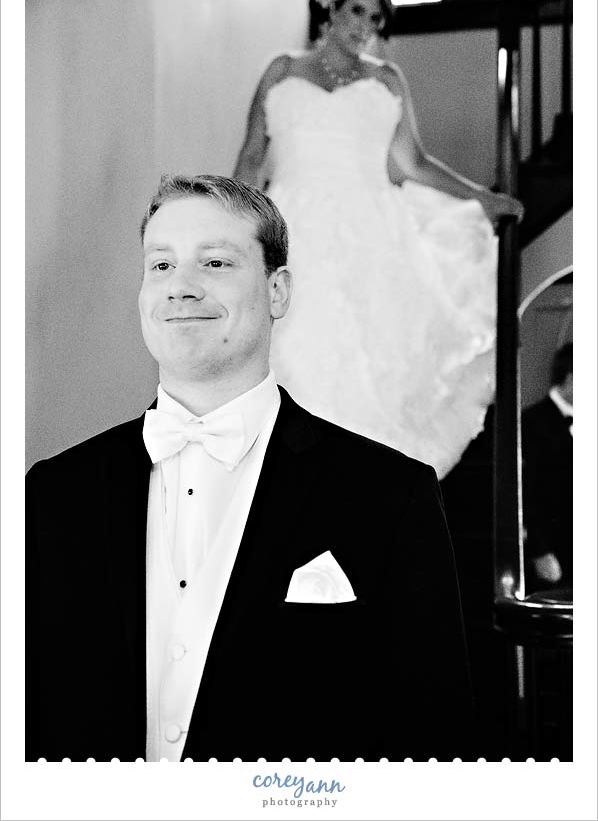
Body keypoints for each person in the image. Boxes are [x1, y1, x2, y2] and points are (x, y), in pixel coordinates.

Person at [26, 174, 474, 762]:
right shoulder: (54, 494)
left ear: (278, 291)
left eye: (215, 262)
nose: (180, 288)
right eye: (160, 266)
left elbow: (433, 741)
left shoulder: (388, 496)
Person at [234, 0, 524, 479]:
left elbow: (416, 163)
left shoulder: (387, 80)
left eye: (375, 18)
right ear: (331, 8)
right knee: (298, 356)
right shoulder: (281, 71)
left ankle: (361, 500)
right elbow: (252, 158)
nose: (364, 25)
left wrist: (482, 196)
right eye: (356, 11)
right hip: (295, 227)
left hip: (372, 232)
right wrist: (231, 229)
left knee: (371, 370)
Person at [522, 343, 573, 591]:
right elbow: (525, 493)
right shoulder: (533, 422)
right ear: (572, 376)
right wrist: (540, 552)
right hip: (554, 555)